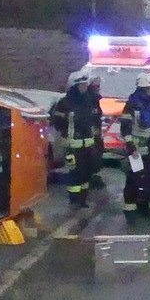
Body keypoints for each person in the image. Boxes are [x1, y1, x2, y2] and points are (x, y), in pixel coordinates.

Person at [51, 70, 101, 207]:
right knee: (75, 174)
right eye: (82, 85)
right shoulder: (65, 103)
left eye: (86, 84)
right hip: (72, 145)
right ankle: (74, 201)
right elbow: (58, 122)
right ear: (75, 86)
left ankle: (83, 200)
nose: (85, 87)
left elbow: (96, 119)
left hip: (88, 144)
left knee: (86, 173)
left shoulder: (90, 101)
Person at [119, 72, 150, 217]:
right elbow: (125, 128)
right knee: (133, 180)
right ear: (146, 87)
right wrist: (131, 147)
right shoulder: (132, 104)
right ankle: (130, 211)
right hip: (137, 151)